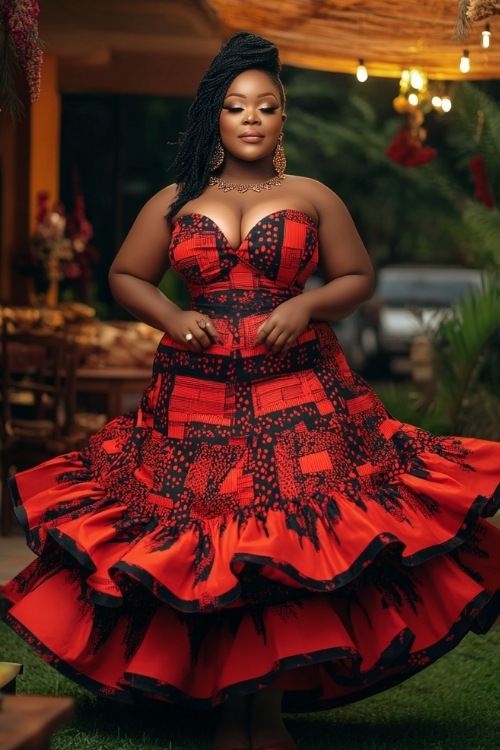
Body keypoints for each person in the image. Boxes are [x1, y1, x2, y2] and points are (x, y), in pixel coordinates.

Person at [2, 31, 499, 750]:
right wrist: (174, 315)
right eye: (238, 107)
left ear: (283, 117)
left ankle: (263, 713)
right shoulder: (179, 198)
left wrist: (304, 306)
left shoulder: (312, 195)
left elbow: (358, 278)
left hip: (298, 393)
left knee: (277, 543)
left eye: (267, 107)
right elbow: (124, 276)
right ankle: (221, 705)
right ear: (217, 114)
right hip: (194, 398)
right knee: (208, 542)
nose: (253, 119)